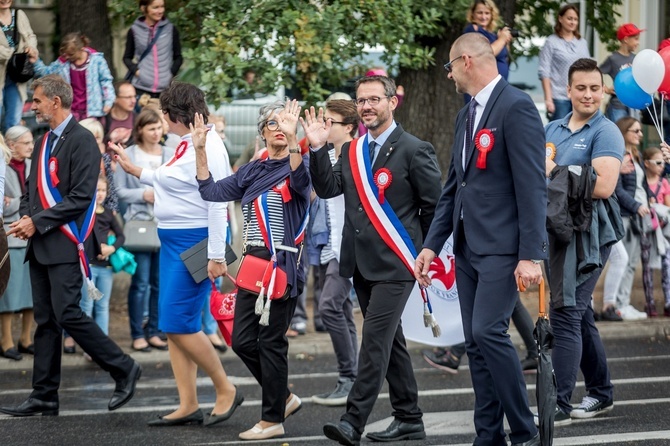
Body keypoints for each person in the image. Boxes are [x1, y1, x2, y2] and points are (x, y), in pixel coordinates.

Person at [415, 33, 545, 446]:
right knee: (474, 340)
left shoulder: (517, 106)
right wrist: (432, 247)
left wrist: (531, 255)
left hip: (504, 249)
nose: (448, 74)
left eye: (449, 66)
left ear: (466, 61)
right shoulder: (465, 114)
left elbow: (532, 187)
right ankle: (488, 436)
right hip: (468, 248)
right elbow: (454, 188)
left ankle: (524, 432)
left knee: (489, 332)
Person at [304, 74, 441, 445]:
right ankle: (410, 417)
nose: (367, 106)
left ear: (392, 102)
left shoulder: (415, 148)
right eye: (361, 100)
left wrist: (431, 254)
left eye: (374, 99)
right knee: (391, 342)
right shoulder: (351, 150)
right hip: (360, 264)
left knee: (374, 341)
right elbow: (327, 188)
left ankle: (353, 421)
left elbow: (434, 208)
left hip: (399, 264)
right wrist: (318, 149)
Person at [0, 74, 140, 416]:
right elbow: (33, 189)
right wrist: (25, 219)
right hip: (41, 244)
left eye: (36, 101)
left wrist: (38, 221)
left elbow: (80, 197)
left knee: (68, 314)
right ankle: (44, 394)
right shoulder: (44, 138)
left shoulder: (81, 141)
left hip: (66, 242)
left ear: (55, 102)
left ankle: (123, 367)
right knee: (46, 320)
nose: (33, 107)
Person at [110, 81, 239, 427]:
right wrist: (135, 170)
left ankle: (226, 388)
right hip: (176, 241)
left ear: (171, 115)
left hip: (195, 241)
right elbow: (176, 180)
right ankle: (188, 403)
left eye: (163, 115)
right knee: (174, 324)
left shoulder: (206, 145)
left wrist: (216, 255)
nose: (162, 121)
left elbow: (216, 202)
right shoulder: (188, 142)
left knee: (176, 323)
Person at [195, 99, 310, 440]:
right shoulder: (253, 170)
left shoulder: (296, 164)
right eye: (272, 124)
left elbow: (303, 182)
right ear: (261, 133)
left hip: (282, 265)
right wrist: (200, 150)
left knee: (271, 342)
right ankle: (283, 397)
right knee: (243, 341)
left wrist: (294, 141)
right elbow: (212, 191)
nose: (279, 129)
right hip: (253, 266)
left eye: (285, 124)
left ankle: (272, 419)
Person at [543, 58, 622, 426]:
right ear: (568, 89)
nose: (588, 95)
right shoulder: (552, 128)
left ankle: (557, 404)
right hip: (557, 229)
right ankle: (601, 393)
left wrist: (555, 171)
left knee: (566, 312)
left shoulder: (606, 131)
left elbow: (604, 185)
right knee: (579, 312)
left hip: (590, 234)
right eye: (581, 88)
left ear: (603, 91)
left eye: (595, 88)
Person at [305, 99, 360, 406]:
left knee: (328, 307)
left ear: (349, 128)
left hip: (350, 245)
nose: (324, 126)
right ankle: (352, 376)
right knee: (339, 310)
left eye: (331, 122)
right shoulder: (323, 154)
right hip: (329, 244)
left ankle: (349, 377)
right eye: (323, 120)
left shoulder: (359, 153)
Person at [115, 107, 172, 352]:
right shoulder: (129, 154)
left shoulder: (170, 153)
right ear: (140, 130)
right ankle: (137, 333)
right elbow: (119, 191)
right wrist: (143, 194)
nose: (156, 132)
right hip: (139, 225)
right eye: (151, 128)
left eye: (159, 127)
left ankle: (156, 331)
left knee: (160, 282)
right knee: (140, 282)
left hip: (166, 224)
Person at [612, 117, 649, 321]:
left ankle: (624, 303)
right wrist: (636, 206)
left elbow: (640, 187)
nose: (640, 134)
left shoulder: (635, 155)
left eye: (641, 131)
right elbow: (616, 189)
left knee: (632, 262)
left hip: (637, 216)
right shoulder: (619, 156)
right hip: (625, 216)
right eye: (635, 131)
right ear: (624, 132)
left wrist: (649, 202)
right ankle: (617, 305)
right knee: (622, 261)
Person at [1, 128, 33, 361]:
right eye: (26, 142)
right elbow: (4, 207)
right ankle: (6, 341)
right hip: (10, 236)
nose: (31, 146)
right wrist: (23, 202)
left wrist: (17, 202)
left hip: (33, 236)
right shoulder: (3, 165)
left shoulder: (33, 165)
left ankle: (26, 339)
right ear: (11, 145)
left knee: (32, 293)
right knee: (10, 294)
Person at [31, 33, 114, 121]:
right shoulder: (63, 63)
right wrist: (36, 61)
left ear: (81, 49)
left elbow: (106, 81)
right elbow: (46, 73)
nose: (67, 57)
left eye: (71, 54)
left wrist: (108, 101)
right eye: (65, 54)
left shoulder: (97, 60)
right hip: (71, 111)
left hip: (93, 111)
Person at [538, 3, 590, 121]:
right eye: (569, 18)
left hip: (579, 96)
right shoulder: (551, 42)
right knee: (560, 133)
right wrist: (548, 99)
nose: (573, 22)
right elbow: (544, 71)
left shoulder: (582, 43)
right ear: (560, 19)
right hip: (559, 97)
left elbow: (588, 69)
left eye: (575, 19)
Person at [123, 0, 183, 101]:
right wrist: (138, 72)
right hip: (141, 89)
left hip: (165, 90)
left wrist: (170, 74)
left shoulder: (171, 29)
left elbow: (178, 57)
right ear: (143, 8)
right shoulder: (134, 30)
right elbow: (126, 58)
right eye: (155, 7)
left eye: (162, 7)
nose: (160, 11)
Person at [641, 147, 670, 317]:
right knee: (647, 267)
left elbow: (667, 208)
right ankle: (649, 303)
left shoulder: (664, 183)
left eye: (663, 163)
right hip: (646, 230)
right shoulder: (642, 182)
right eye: (657, 162)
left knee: (667, 264)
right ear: (646, 163)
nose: (661, 166)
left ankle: (668, 301)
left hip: (663, 232)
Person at [0, 1, 38, 131]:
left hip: (16, 76)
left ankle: (12, 151)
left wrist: (31, 48)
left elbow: (30, 35)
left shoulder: (19, 14)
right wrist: (11, 53)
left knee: (13, 123)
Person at [599, 23, 644, 124]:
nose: (638, 42)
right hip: (618, 106)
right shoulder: (613, 59)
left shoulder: (636, 58)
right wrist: (605, 88)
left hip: (634, 106)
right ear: (626, 39)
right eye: (636, 39)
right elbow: (595, 72)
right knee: (620, 135)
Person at [463, 0, 512, 80]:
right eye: (480, 13)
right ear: (472, 14)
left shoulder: (493, 35)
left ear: (492, 14)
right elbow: (486, 54)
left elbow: (504, 57)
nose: (483, 17)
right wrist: (502, 40)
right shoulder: (472, 29)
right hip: (482, 85)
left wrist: (505, 41)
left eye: (487, 13)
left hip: (499, 85)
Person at [102, 81, 137, 146]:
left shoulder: (138, 120)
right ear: (115, 98)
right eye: (128, 97)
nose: (133, 101)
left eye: (134, 96)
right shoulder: (103, 120)